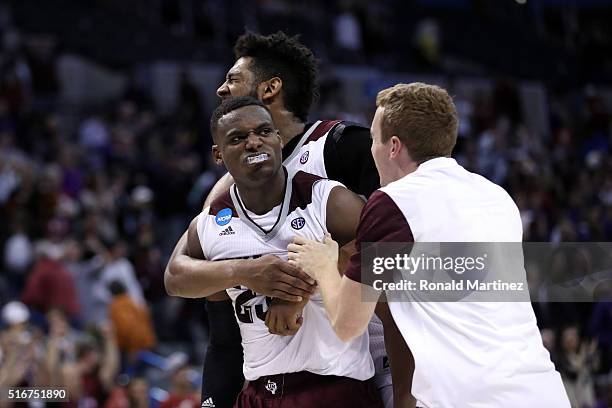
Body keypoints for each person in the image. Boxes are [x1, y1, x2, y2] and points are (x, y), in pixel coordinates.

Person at [288, 82, 571, 407]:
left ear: (393, 146)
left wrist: (324, 266)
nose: (371, 151)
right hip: (541, 390)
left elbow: (347, 325)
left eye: (374, 140)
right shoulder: (496, 195)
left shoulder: (393, 202)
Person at [165, 32, 402, 407]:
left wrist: (298, 287)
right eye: (238, 138)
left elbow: (395, 249)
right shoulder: (224, 194)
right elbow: (217, 320)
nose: (220, 91)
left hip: (371, 351)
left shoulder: (339, 146)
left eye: (233, 80)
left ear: (270, 89)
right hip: (267, 377)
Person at [186, 95, 381, 407]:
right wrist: (243, 271)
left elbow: (391, 257)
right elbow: (176, 279)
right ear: (217, 154)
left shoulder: (326, 197)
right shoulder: (211, 221)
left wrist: (300, 289)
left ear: (278, 137)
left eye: (263, 132)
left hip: (333, 385)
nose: (253, 143)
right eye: (238, 137)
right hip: (258, 391)